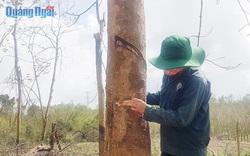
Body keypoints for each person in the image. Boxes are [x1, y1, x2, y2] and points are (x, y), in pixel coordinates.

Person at [130, 35, 211, 156]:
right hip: (169, 146)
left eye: (174, 67)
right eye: (166, 67)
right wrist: (142, 96)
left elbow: (181, 118)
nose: (168, 71)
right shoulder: (169, 73)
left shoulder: (196, 81)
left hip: (189, 150)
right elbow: (163, 96)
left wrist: (147, 110)